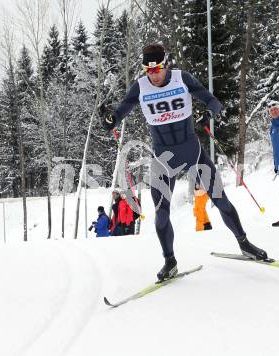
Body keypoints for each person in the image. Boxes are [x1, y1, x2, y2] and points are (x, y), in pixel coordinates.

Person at [100, 44, 267, 280]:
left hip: (192, 152)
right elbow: (117, 116)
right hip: (163, 158)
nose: (153, 74)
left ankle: (244, 243)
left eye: (156, 68)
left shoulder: (182, 79)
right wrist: (109, 120)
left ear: (165, 64)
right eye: (148, 70)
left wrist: (207, 113)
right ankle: (170, 261)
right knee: (161, 213)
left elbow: (214, 103)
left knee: (220, 200)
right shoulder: (141, 86)